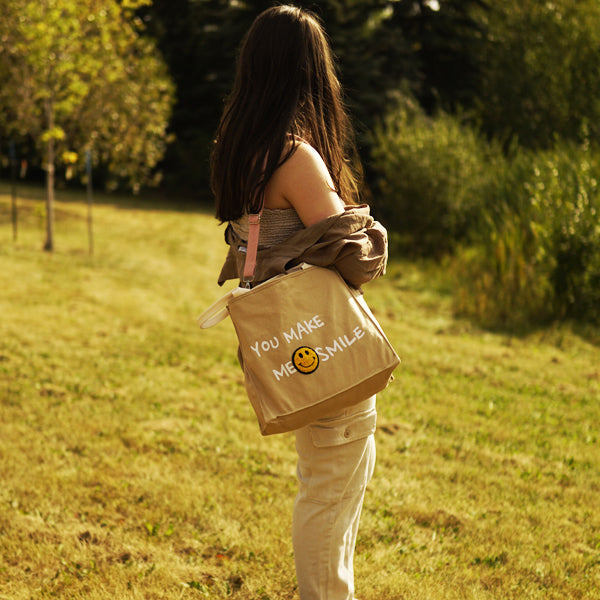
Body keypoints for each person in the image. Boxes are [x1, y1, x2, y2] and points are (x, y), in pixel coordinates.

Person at [210, 5, 389, 599]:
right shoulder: (295, 156)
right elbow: (355, 257)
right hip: (324, 341)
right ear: (311, 73)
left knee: (323, 482)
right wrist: (374, 230)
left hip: (290, 343)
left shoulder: (239, 149)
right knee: (330, 492)